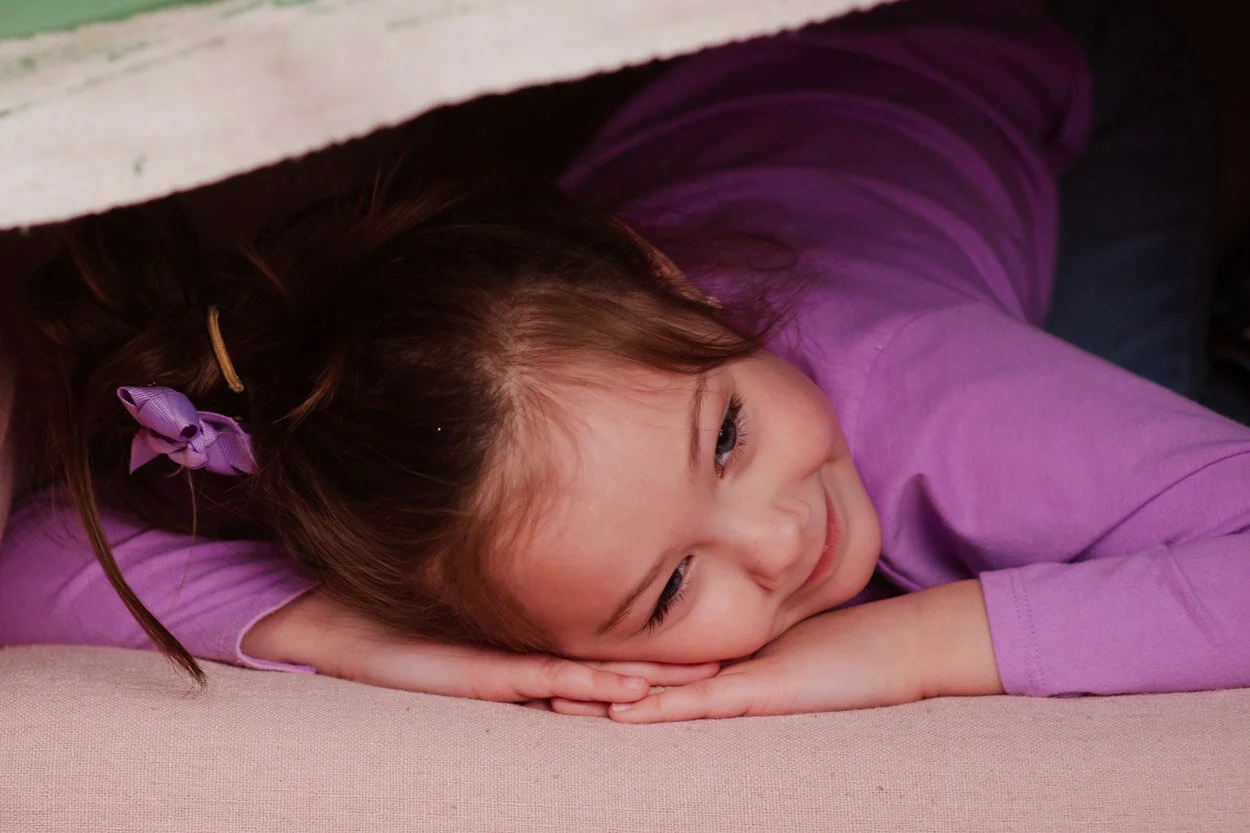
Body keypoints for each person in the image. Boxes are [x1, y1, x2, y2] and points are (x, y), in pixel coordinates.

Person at [1, 0, 1247, 722]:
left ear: (668, 281)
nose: (778, 540)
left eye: (726, 437)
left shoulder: (931, 393)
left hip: (1045, 55)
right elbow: (41, 562)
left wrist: (911, 646)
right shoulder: (442, 496)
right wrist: (374, 642)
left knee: (1136, 473)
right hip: (732, 136)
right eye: (667, 589)